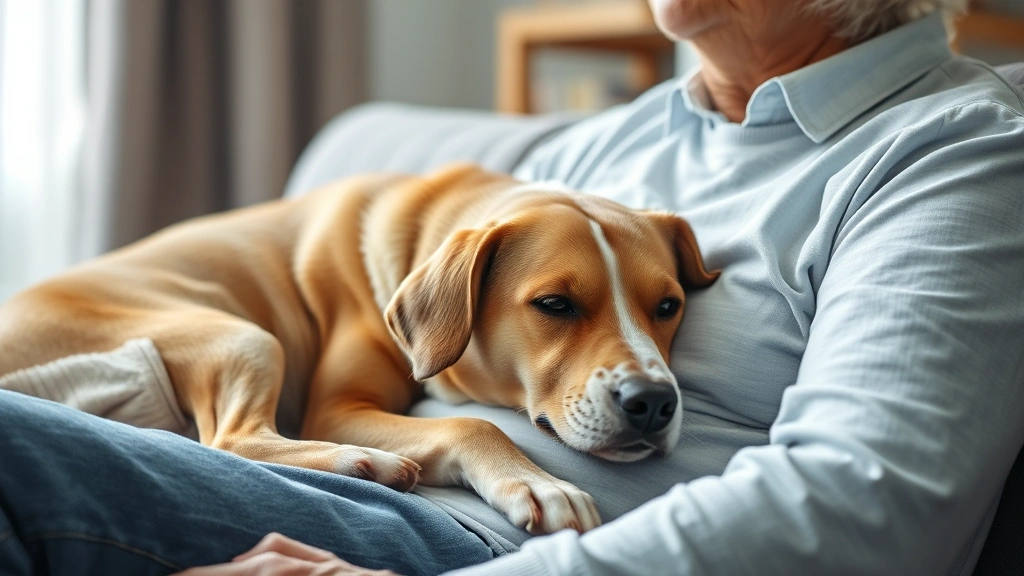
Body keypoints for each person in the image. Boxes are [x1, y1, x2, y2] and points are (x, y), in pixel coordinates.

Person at [1, 0, 1022, 574]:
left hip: (470, 545)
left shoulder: (956, 155)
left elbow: (868, 508)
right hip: (348, 477)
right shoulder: (604, 142)